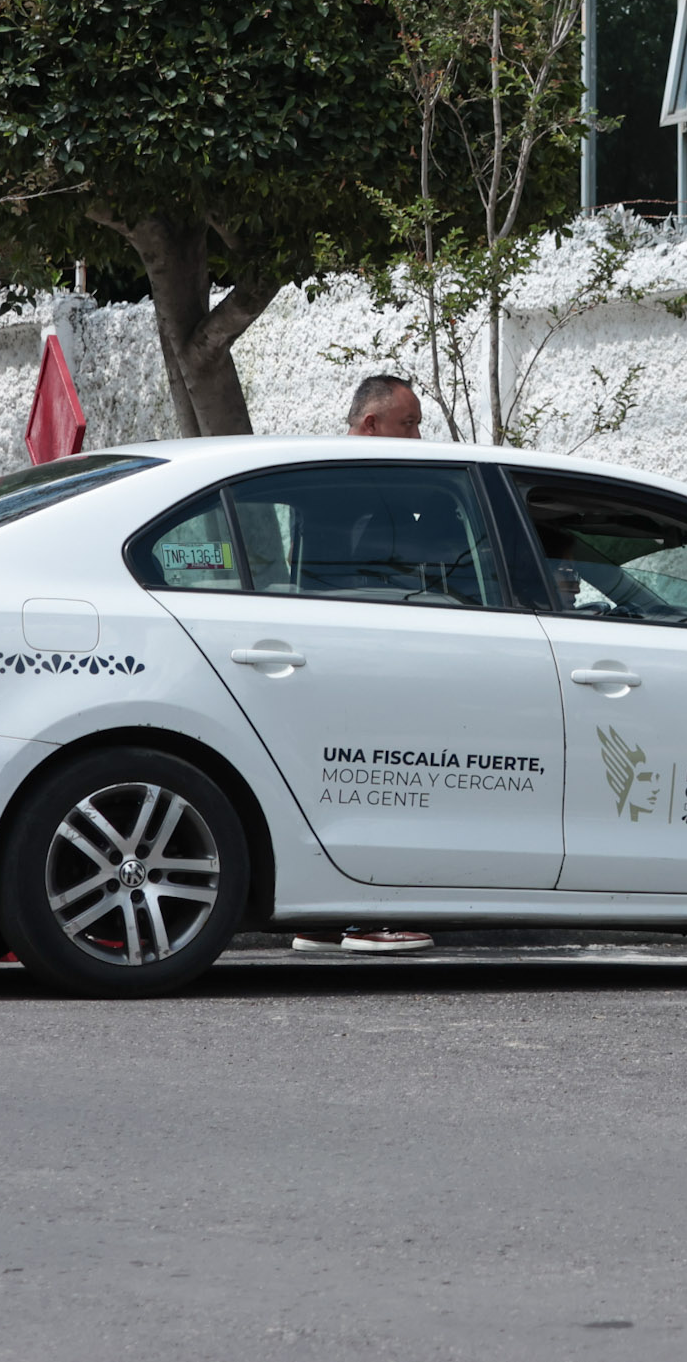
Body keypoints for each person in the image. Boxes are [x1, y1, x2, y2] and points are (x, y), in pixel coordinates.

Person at [295, 375, 435, 957]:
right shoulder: (357, 482)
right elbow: (363, 573)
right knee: (384, 783)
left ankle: (326, 918)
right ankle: (368, 917)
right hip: (366, 649)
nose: (419, 436)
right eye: (409, 423)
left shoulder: (329, 474)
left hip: (342, 649)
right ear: (372, 424)